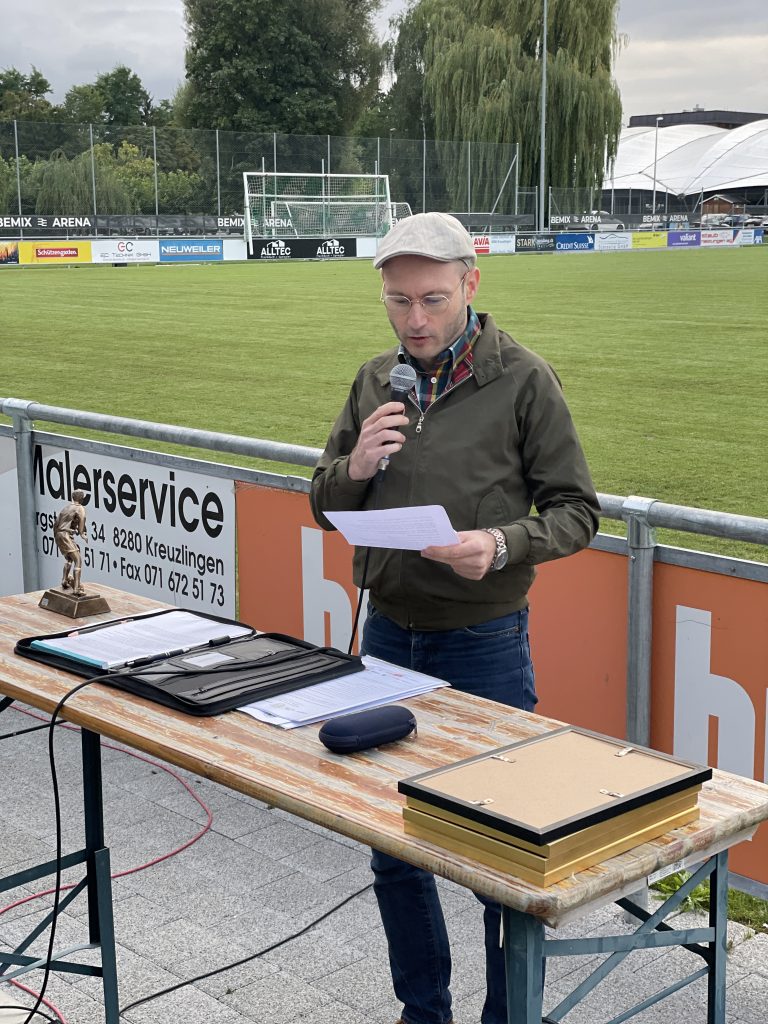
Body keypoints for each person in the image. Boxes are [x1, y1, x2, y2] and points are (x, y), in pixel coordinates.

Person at [309, 212, 600, 1024]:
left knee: (499, 854)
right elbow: (323, 504)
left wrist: (500, 545)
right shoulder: (374, 380)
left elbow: (577, 512)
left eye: (433, 299)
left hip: (484, 644)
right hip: (387, 636)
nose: (415, 319)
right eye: (398, 300)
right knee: (394, 851)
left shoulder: (525, 379)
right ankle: (423, 1011)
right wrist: (354, 466)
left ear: (472, 284)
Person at [53, 490, 89, 596]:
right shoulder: (80, 508)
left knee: (69, 558)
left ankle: (64, 580)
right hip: (65, 535)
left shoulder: (66, 508)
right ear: (81, 498)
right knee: (78, 560)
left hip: (58, 534)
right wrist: (82, 534)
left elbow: (56, 523)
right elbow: (82, 521)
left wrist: (60, 534)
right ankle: (76, 589)